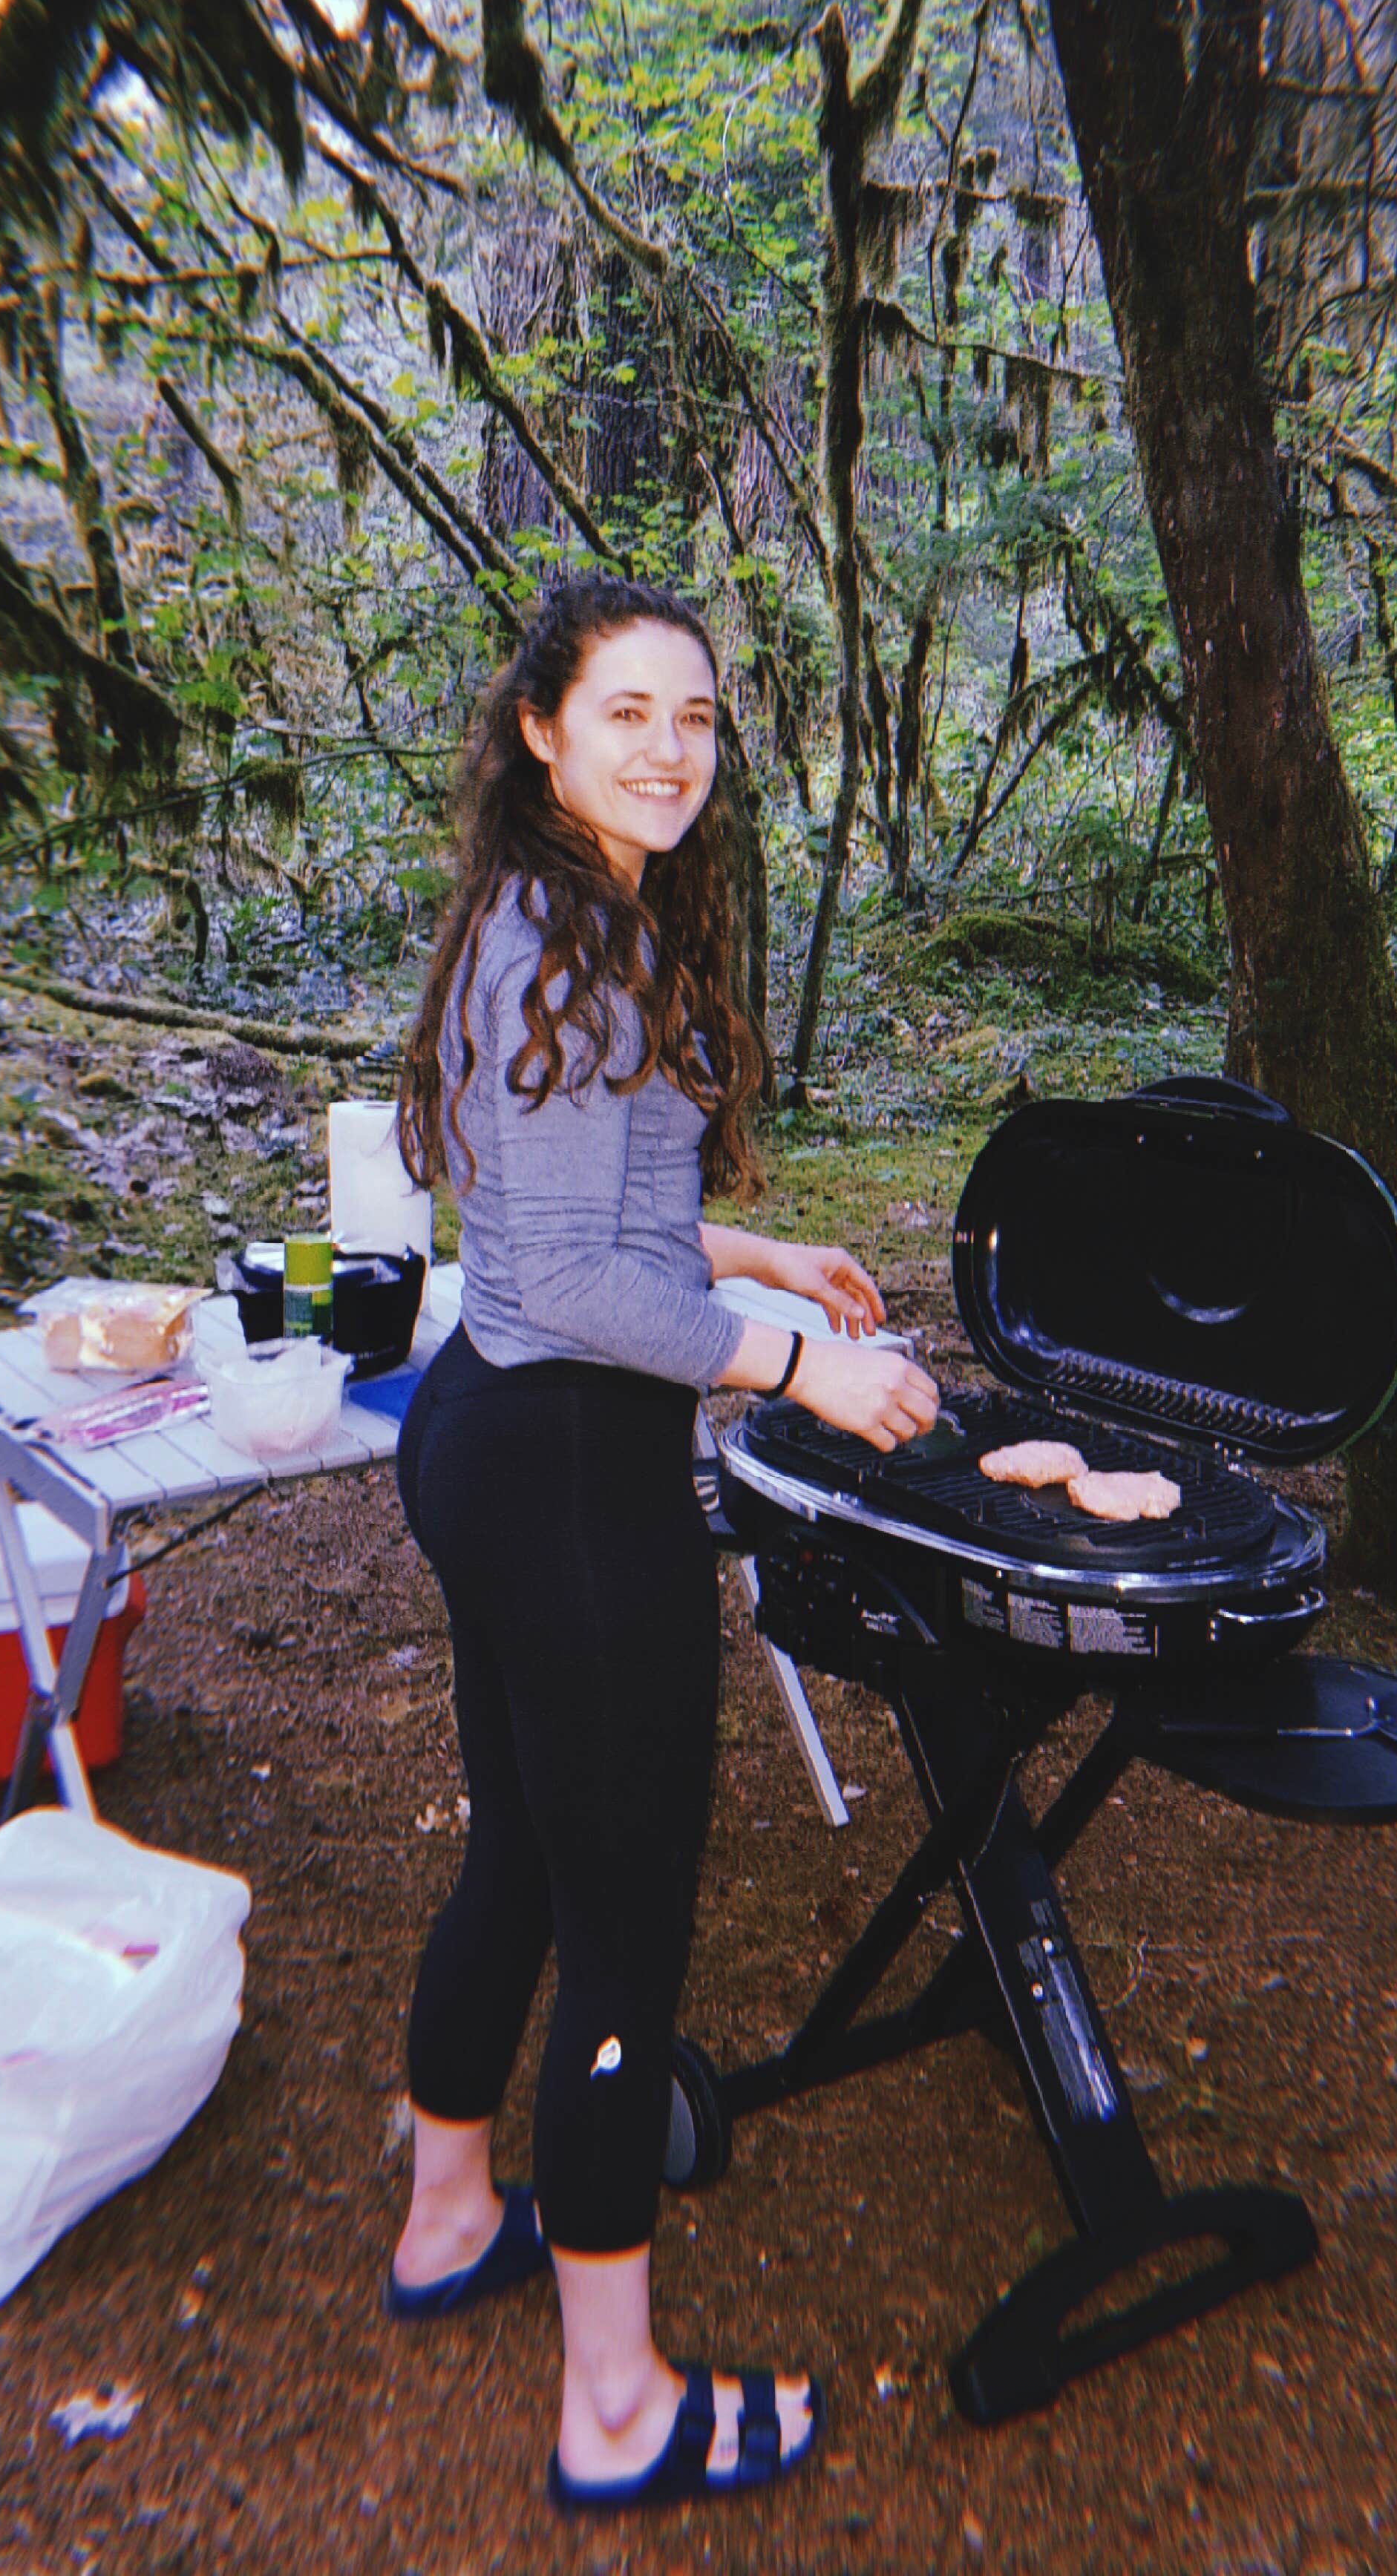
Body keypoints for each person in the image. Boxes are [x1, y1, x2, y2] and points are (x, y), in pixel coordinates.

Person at [386, 573, 940, 2513]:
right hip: (562, 1466)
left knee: (526, 1852)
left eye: (696, 714)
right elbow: (560, 1287)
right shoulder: (571, 937)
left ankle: (451, 2217)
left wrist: (751, 1249)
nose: (672, 745)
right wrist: (794, 1360)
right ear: (543, 726)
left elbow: (577, 1218)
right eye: (629, 709)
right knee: (625, 1935)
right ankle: (614, 2410)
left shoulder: (572, 916)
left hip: (492, 1438)